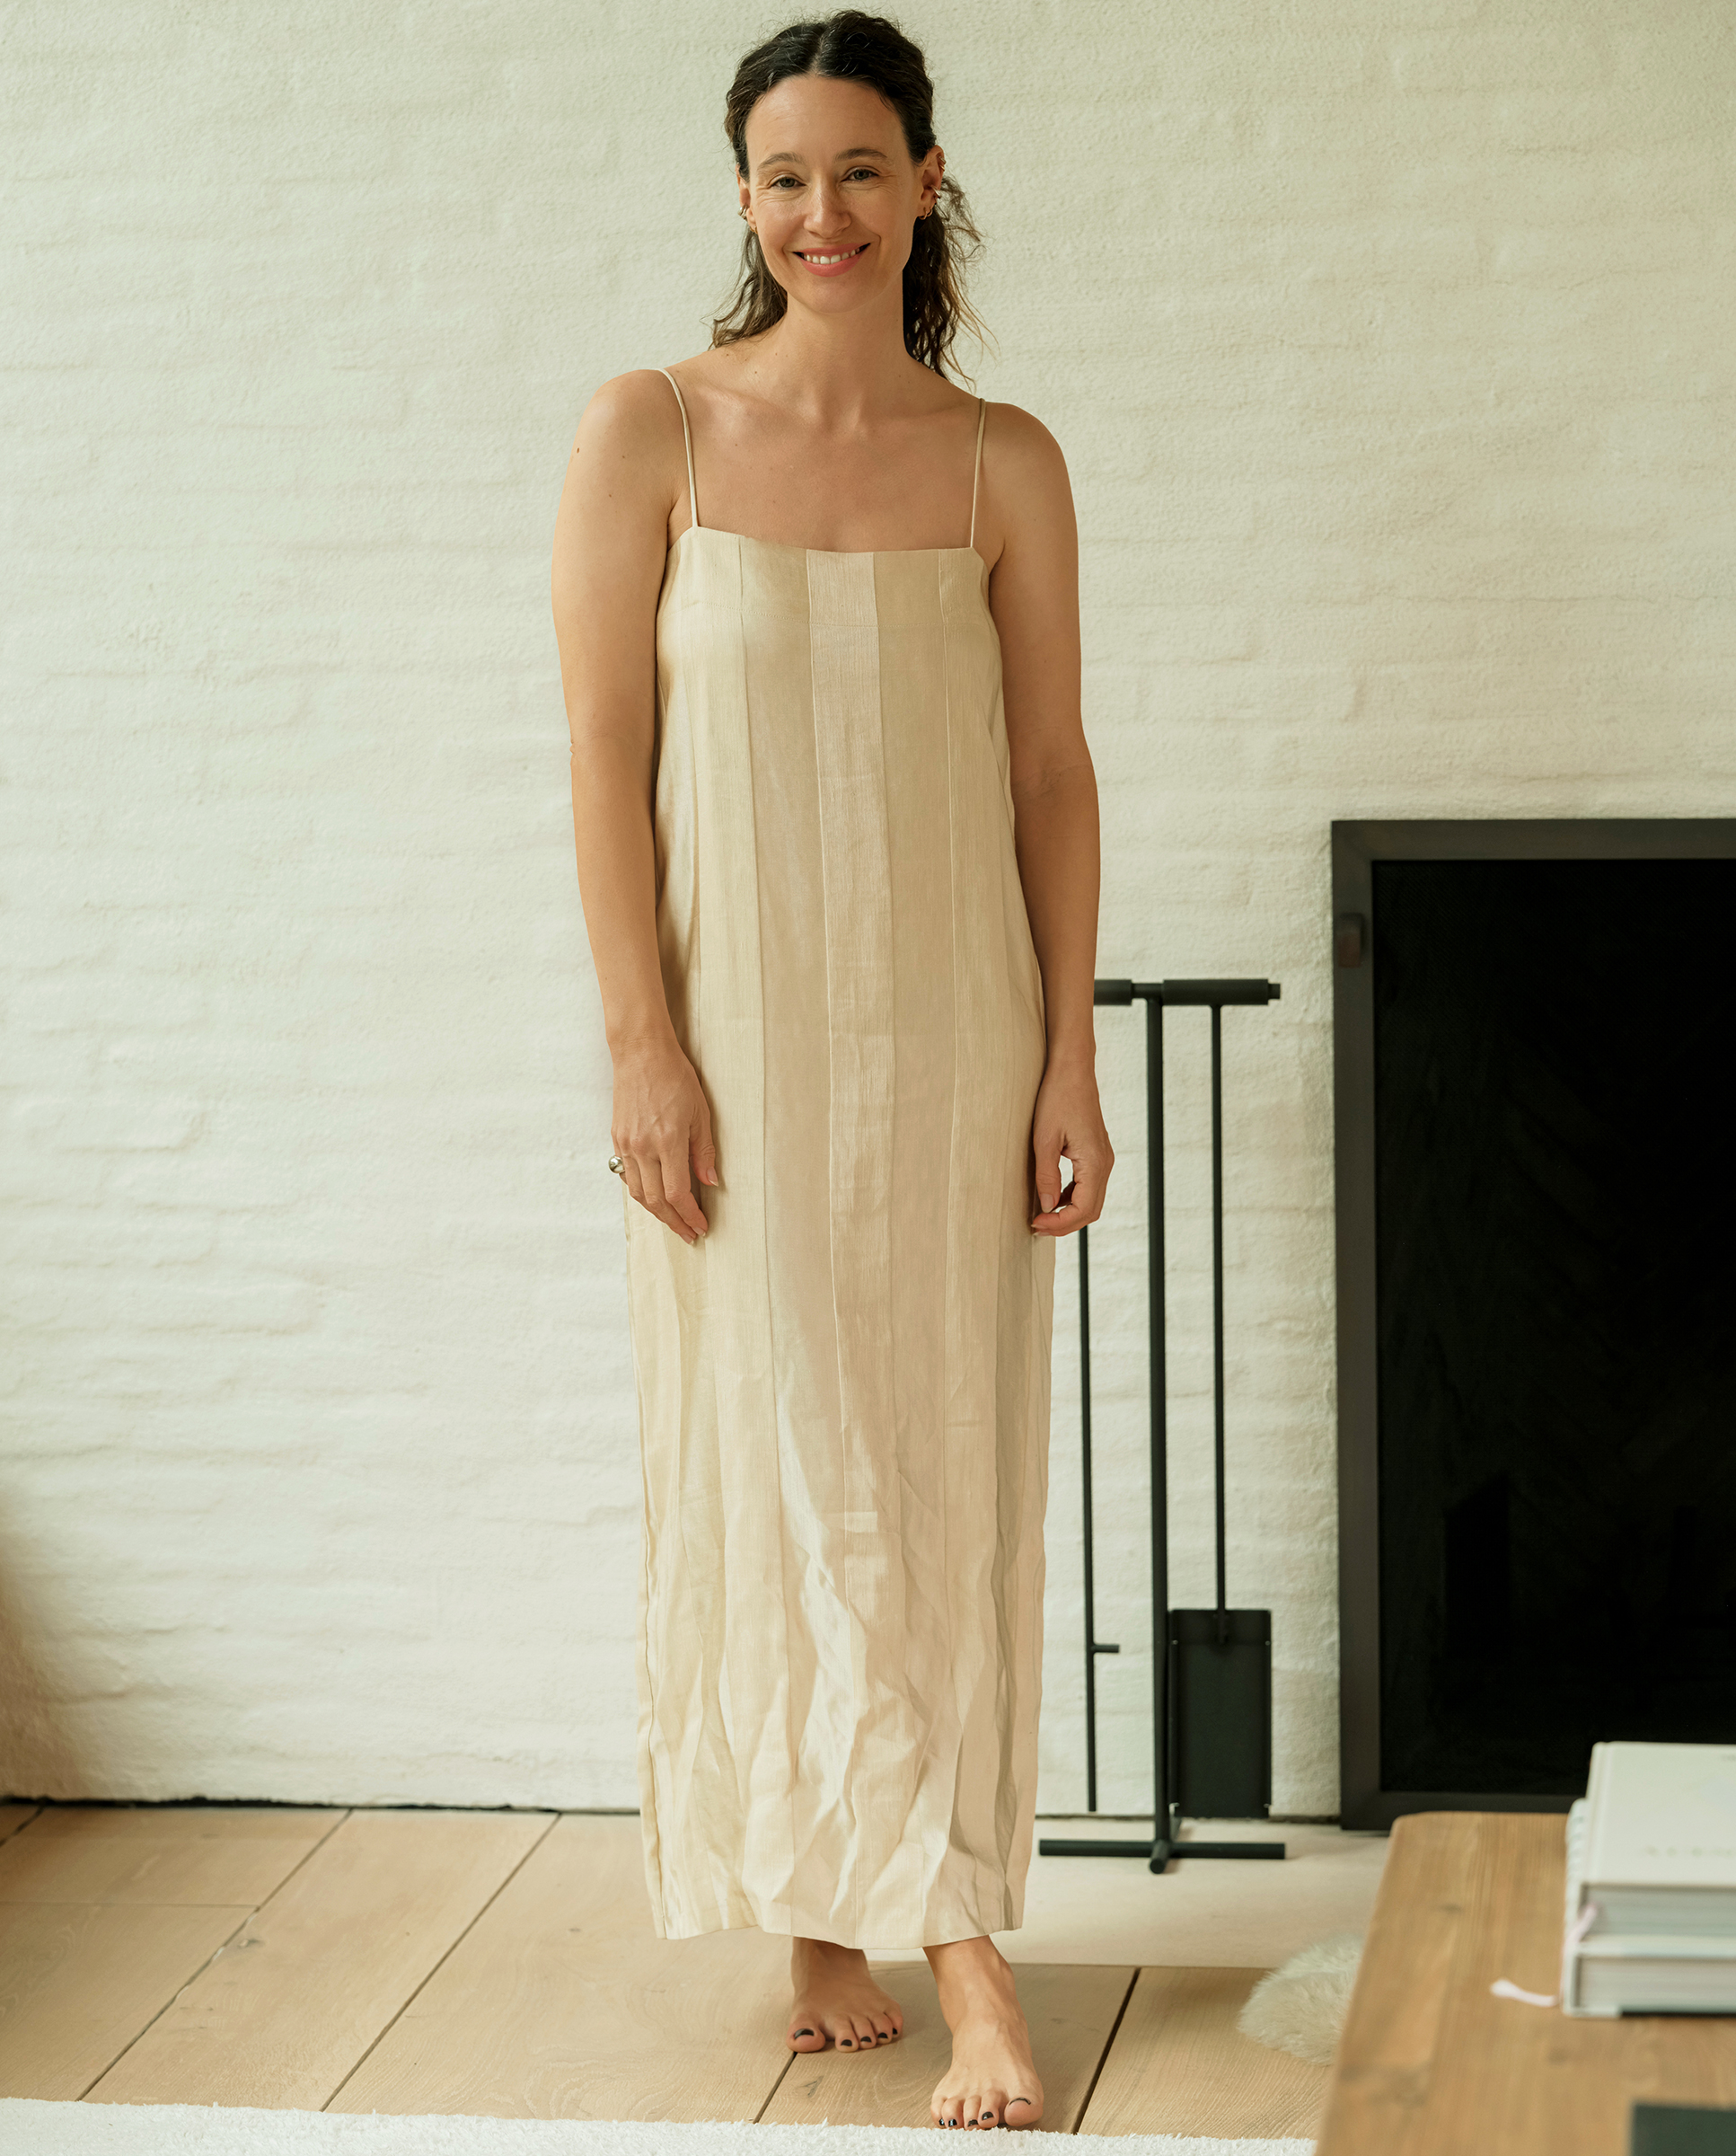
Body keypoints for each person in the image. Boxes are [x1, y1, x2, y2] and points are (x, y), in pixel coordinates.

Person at [551, 11, 1111, 2131]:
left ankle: (844, 1899)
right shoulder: (650, 434)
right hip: (742, 1042)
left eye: (861, 171)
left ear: (929, 183)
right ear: (742, 198)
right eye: (784, 176)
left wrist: (1066, 1052)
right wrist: (641, 1044)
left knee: (928, 1468)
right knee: (778, 1451)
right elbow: (605, 757)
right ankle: (958, 1950)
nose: (822, 215)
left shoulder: (1003, 461)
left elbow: (1048, 774)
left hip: (953, 1031)